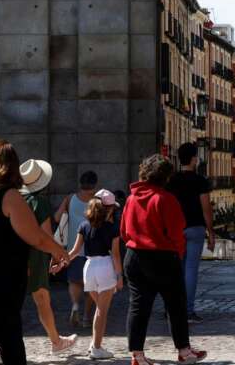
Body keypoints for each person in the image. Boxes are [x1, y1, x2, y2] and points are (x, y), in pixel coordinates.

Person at [0, 140, 70, 365]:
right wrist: (60, 251)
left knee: (9, 333)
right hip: (4, 276)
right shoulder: (9, 196)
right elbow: (36, 237)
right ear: (11, 166)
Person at [121, 154, 206, 365]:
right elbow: (177, 232)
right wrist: (176, 254)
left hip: (134, 256)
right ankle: (184, 351)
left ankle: (137, 356)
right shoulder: (165, 199)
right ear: (165, 176)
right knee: (175, 305)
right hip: (162, 256)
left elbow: (123, 231)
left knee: (138, 306)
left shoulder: (131, 199)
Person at [19, 159, 77, 355]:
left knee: (10, 303)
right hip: (35, 256)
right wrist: (58, 254)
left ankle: (0, 346)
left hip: (14, 254)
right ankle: (56, 341)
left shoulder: (14, 198)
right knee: (42, 299)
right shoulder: (39, 203)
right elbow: (45, 236)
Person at [67, 190, 122, 360]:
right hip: (105, 267)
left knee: (100, 310)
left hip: (88, 267)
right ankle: (97, 348)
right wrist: (120, 277)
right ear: (110, 209)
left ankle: (94, 344)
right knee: (101, 311)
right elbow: (115, 255)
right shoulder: (113, 228)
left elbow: (75, 251)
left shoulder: (84, 225)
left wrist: (61, 262)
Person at [166, 144, 215, 323]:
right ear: (194, 159)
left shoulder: (171, 180)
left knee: (174, 270)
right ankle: (188, 310)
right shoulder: (200, 181)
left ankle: (171, 309)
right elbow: (206, 209)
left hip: (175, 229)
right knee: (191, 270)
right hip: (195, 228)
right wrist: (211, 232)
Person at [54, 169, 99, 327]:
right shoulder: (97, 200)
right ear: (95, 184)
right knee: (91, 285)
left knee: (74, 281)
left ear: (80, 183)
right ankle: (87, 318)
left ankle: (74, 305)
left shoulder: (70, 198)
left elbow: (57, 218)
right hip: (94, 250)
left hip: (73, 248)